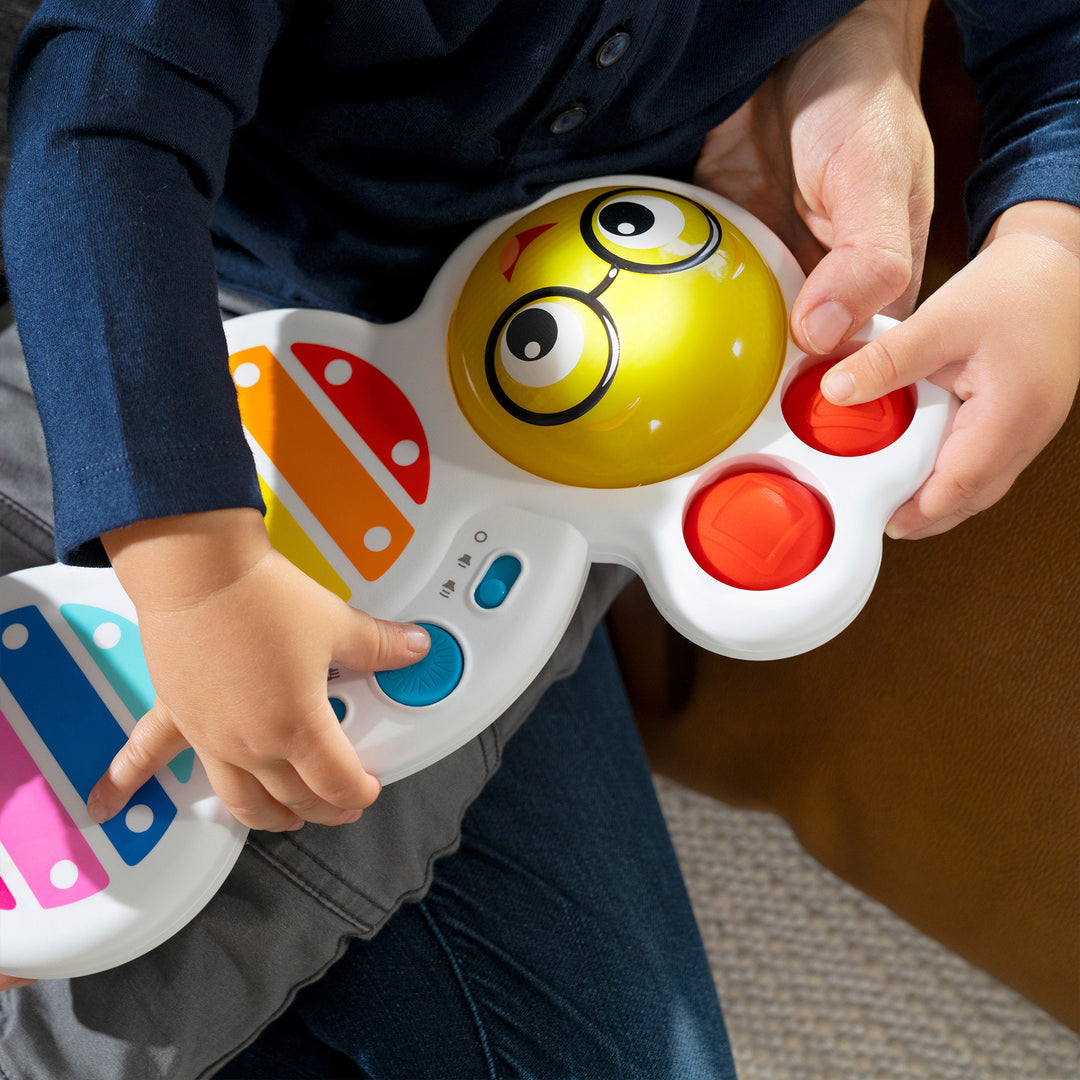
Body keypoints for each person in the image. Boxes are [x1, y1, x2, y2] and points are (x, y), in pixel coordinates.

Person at [0, 0, 1076, 1076]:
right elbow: (103, 117)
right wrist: (196, 572)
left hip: (570, 450)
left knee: (262, 888)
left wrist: (1049, 244)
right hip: (179, 321)